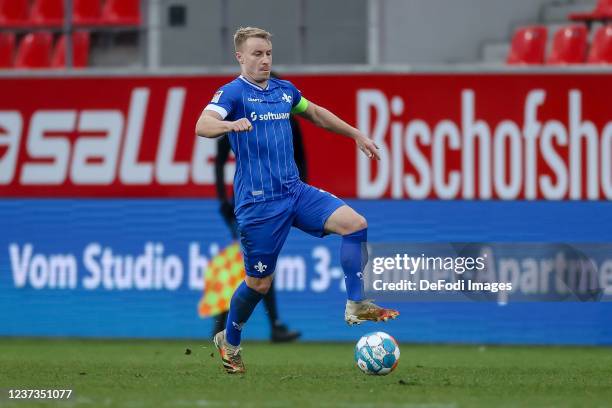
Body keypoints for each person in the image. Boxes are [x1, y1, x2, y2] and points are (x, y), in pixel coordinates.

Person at [195, 26, 399, 374]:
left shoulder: (283, 91)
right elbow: (203, 124)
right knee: (259, 284)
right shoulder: (232, 94)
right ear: (240, 57)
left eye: (268, 53)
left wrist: (355, 134)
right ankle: (229, 340)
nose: (264, 60)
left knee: (356, 224)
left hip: (295, 191)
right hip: (258, 204)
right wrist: (230, 126)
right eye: (257, 54)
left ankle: (355, 303)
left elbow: (316, 113)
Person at [212, 79, 306, 341]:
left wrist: (299, 198)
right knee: (252, 270)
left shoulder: (286, 112)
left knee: (259, 270)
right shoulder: (240, 110)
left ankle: (235, 325)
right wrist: (223, 202)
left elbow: (299, 158)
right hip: (248, 204)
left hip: (283, 200)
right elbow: (220, 159)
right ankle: (228, 325)